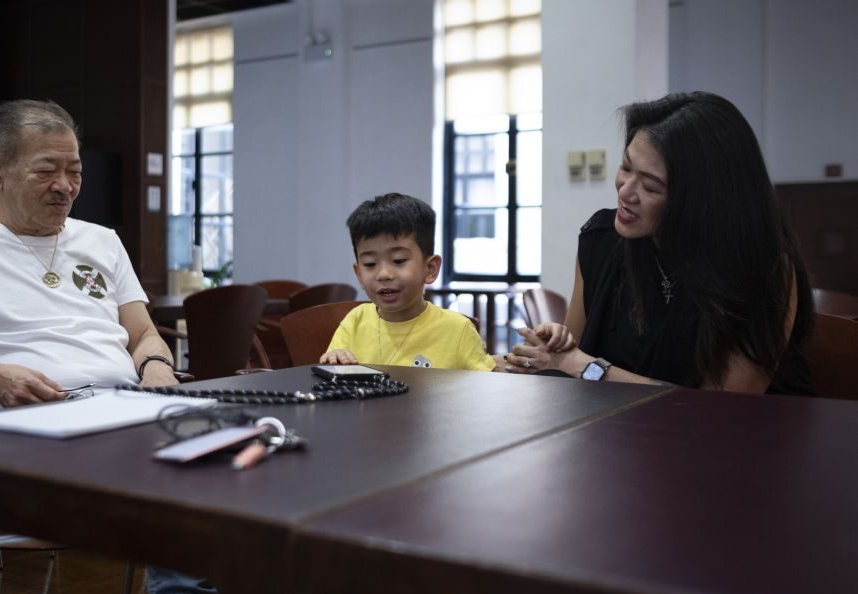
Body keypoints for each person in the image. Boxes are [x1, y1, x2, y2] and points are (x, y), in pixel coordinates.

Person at [0, 99, 217, 594]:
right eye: (47, 171)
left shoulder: (102, 241)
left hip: (125, 413)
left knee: (244, 455)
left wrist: (155, 367)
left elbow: (145, 334)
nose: (65, 186)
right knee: (182, 480)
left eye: (74, 171)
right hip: (30, 436)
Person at [505, 91, 813, 395]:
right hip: (620, 433)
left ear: (701, 202)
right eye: (626, 167)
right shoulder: (600, 239)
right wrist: (553, 349)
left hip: (739, 440)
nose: (626, 192)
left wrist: (586, 368)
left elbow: (723, 410)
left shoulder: (763, 270)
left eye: (650, 187)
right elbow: (569, 357)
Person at [320, 193, 561, 370]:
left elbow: (487, 387)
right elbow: (334, 366)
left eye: (399, 260)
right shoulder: (355, 321)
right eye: (370, 264)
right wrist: (335, 358)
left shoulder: (456, 330)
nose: (383, 274)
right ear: (359, 274)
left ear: (430, 268)